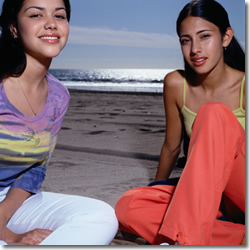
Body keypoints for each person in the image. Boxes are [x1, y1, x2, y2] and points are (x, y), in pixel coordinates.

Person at [115, 0, 245, 245]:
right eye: (186, 40)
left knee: (214, 113)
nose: (195, 48)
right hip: (208, 199)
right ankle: (235, 238)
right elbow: (171, 147)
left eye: (204, 36)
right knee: (129, 206)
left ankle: (188, 240)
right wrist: (155, 190)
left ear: (226, 37)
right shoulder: (176, 84)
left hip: (242, 192)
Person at [0, 0, 118, 245]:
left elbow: (35, 169)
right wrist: (11, 236)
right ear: (13, 27)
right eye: (36, 15)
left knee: (100, 216)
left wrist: (3, 214)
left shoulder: (58, 95)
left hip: (13, 201)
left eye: (60, 16)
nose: (51, 24)